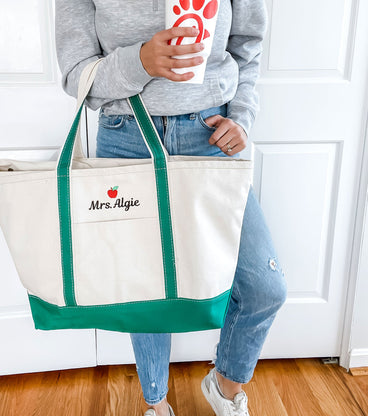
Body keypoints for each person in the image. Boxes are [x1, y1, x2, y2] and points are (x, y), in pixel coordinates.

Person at [55, 1, 287, 415]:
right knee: (148, 295)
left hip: (212, 137)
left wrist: (243, 118)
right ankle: (156, 402)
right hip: (127, 141)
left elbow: (247, 46)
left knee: (263, 287)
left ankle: (225, 385)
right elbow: (77, 75)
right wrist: (139, 61)